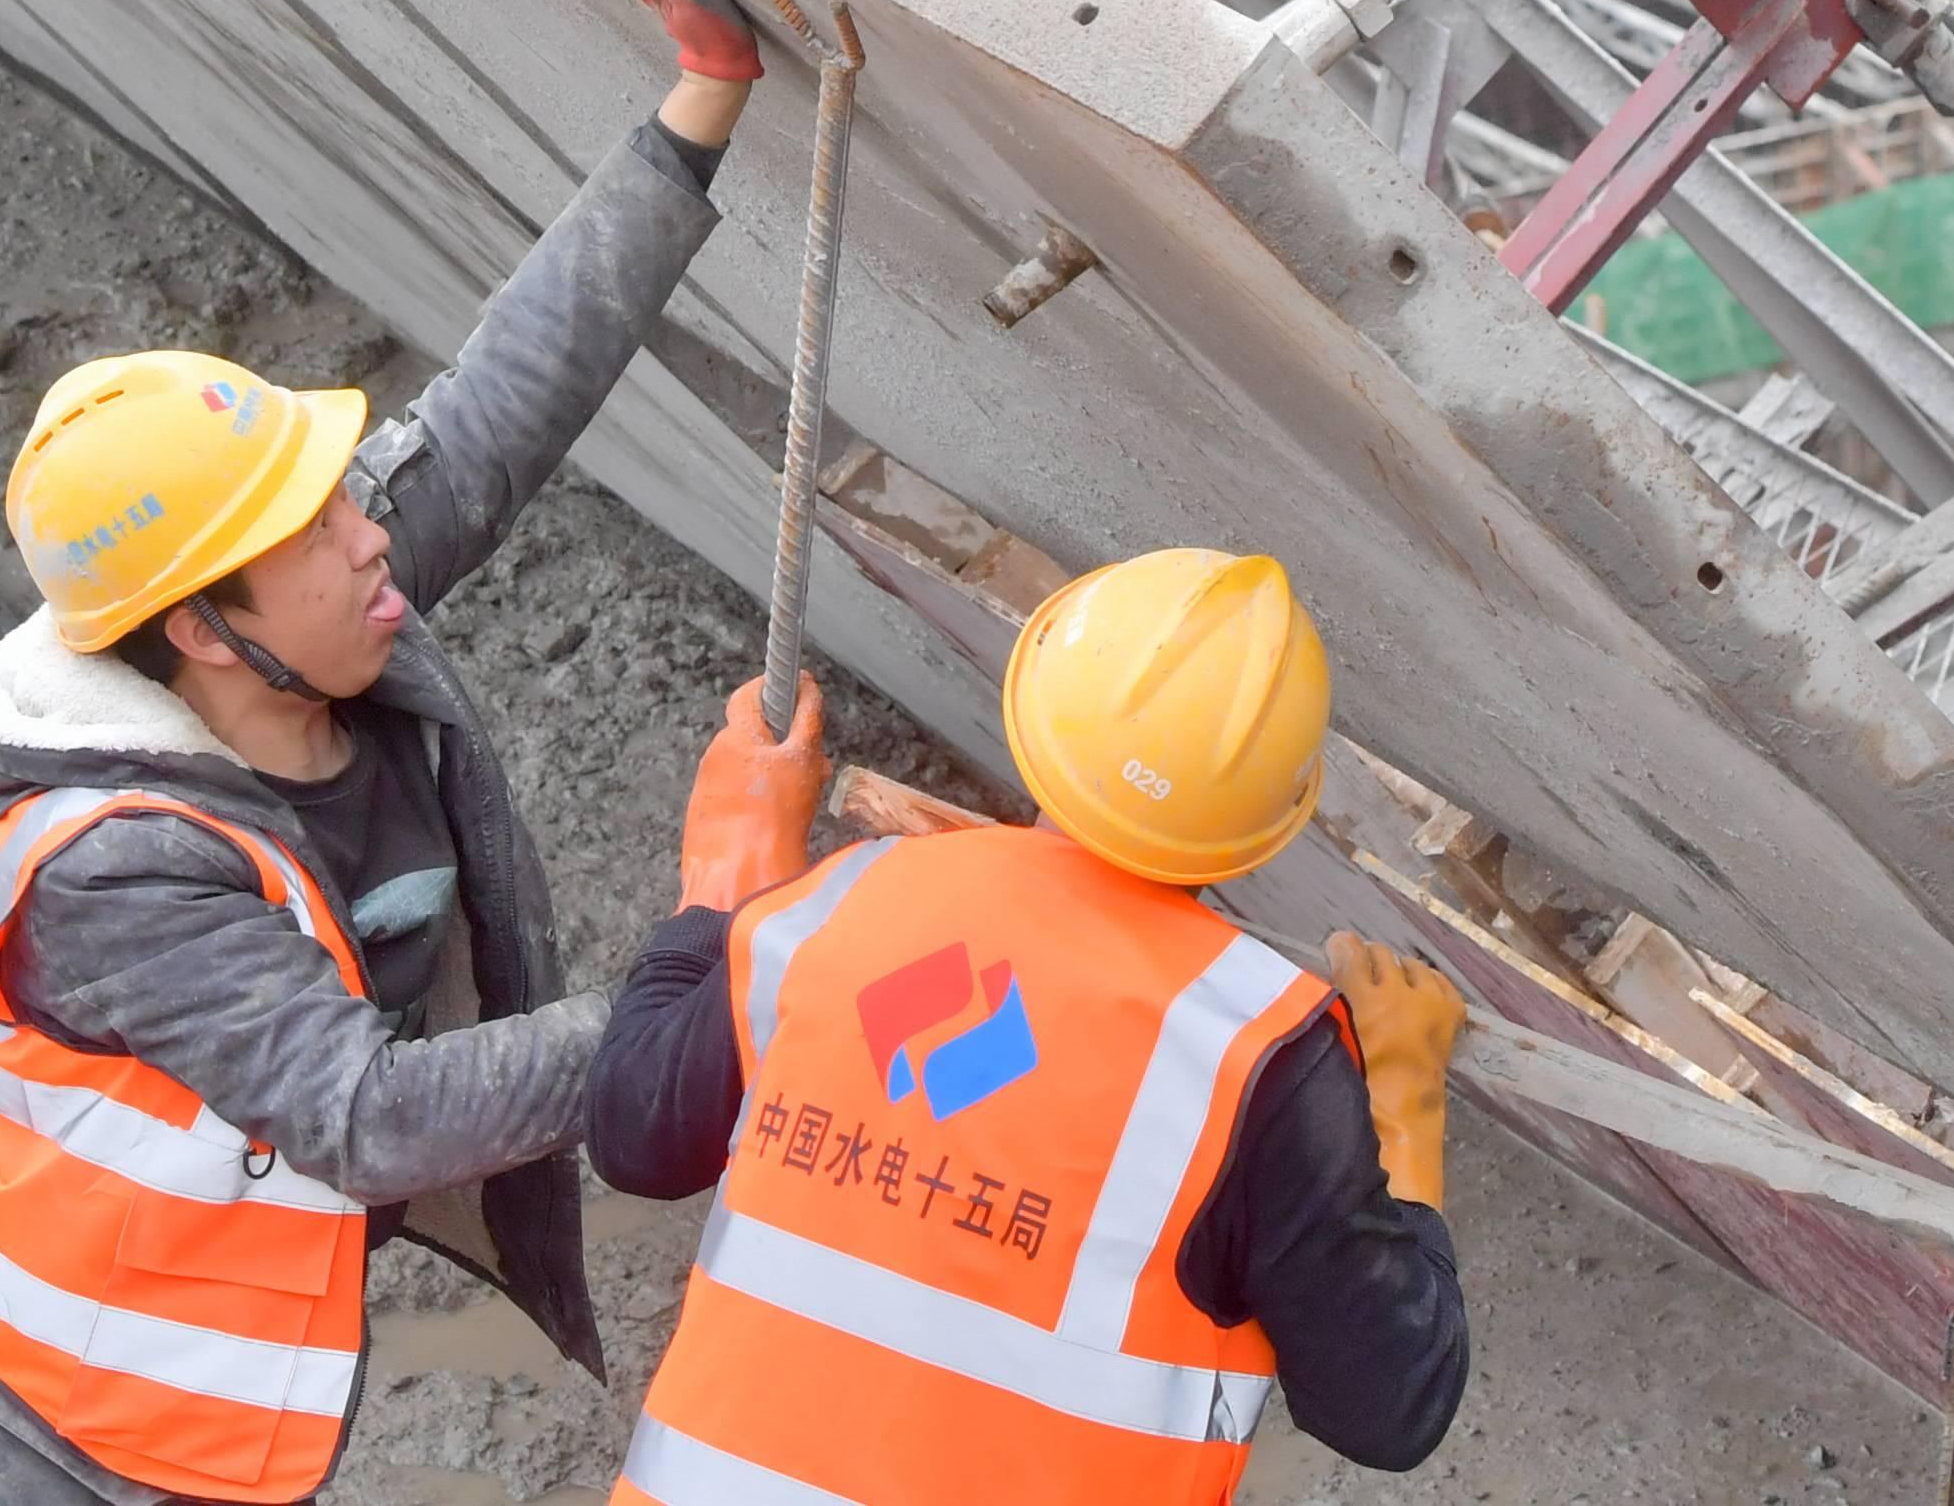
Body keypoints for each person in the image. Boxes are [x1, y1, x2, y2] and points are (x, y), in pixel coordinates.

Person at [0, 0, 770, 1506]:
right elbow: (362, 1111)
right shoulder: (120, 869)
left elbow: (499, 407)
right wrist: (708, 978)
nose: (377, 532)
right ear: (204, 629)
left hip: (169, 1401)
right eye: (319, 519)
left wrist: (699, 97)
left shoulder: (303, 597)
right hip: (42, 1449)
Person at [584, 548, 1472, 1498]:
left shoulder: (847, 904)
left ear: (1035, 708)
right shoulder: (1259, 1054)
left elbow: (637, 1134)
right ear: (1279, 812)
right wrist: (1400, 1102)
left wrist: (728, 876)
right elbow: (1388, 1403)